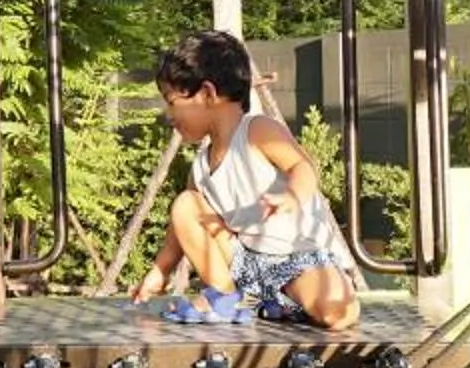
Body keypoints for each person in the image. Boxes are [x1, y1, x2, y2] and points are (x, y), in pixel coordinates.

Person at [130, 30, 362, 332]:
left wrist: (292, 195)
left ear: (209, 94)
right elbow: (182, 227)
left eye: (172, 102)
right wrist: (160, 271)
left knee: (338, 314)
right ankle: (226, 297)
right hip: (242, 261)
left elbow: (302, 166)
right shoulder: (201, 164)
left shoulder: (257, 130)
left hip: (294, 257)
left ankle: (284, 298)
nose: (168, 115)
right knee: (186, 204)